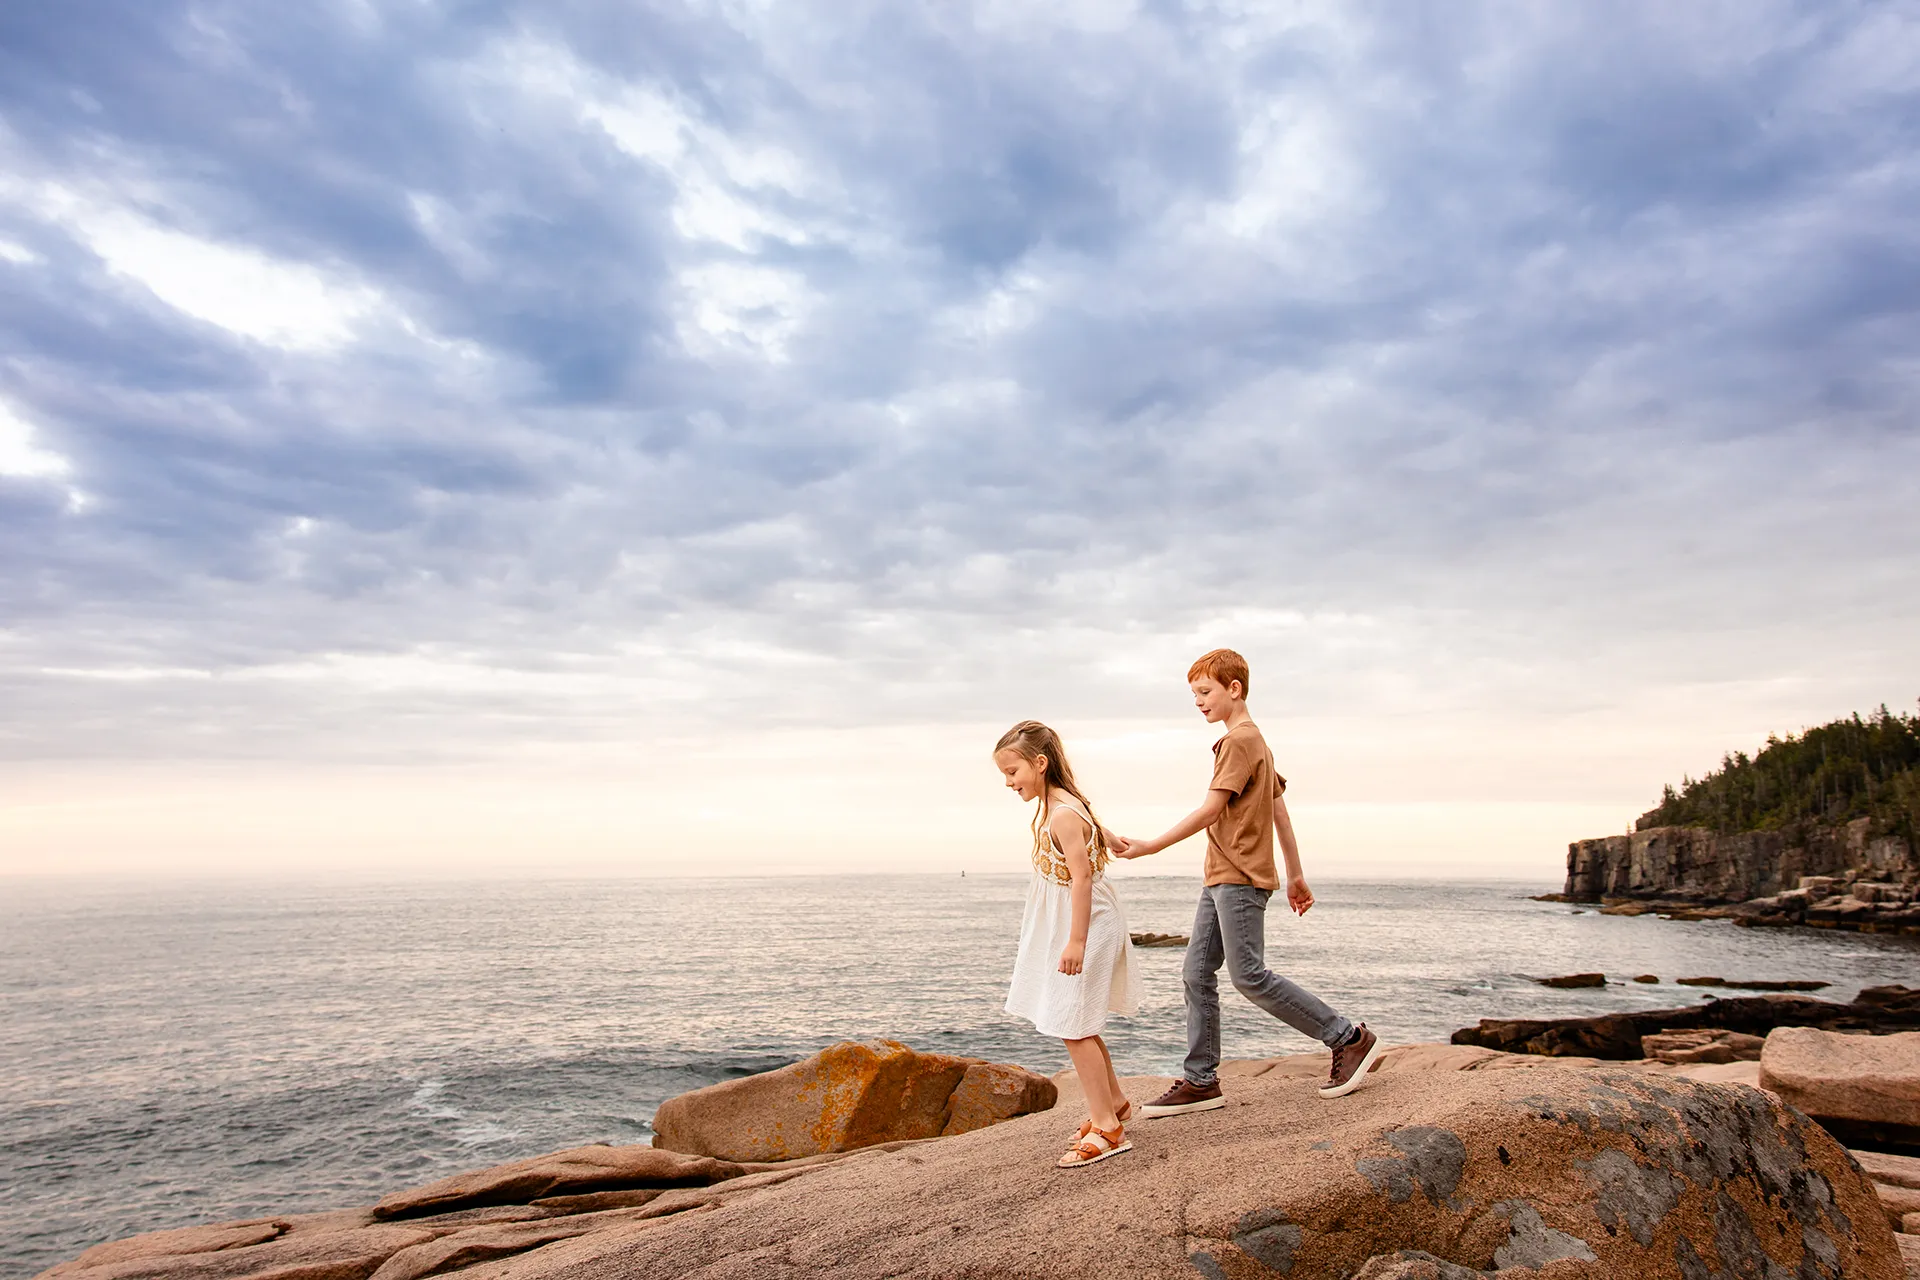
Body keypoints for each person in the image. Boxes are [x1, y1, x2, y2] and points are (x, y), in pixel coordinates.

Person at [1111, 648, 1382, 1112]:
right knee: (1196, 973)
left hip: (1238, 878)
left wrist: (1151, 846)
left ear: (1233, 689)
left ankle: (1348, 1037)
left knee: (1249, 976)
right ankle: (1201, 1080)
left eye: (1205, 692)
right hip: (1222, 876)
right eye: (1194, 693)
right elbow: (1280, 812)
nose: (1198, 702)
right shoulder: (1257, 743)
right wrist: (1295, 876)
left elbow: (1213, 809)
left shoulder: (1240, 741)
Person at [995, 720, 1144, 1168]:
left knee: (1072, 1025)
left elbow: (1081, 877)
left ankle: (1110, 1129)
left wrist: (1076, 940)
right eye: (1004, 774)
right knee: (1078, 1021)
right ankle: (1113, 1103)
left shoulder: (1061, 812)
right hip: (1077, 919)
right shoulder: (1065, 804)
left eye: (1013, 771)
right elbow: (1094, 835)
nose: (1008, 782)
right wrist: (1110, 836)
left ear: (1039, 764)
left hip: (1087, 923)